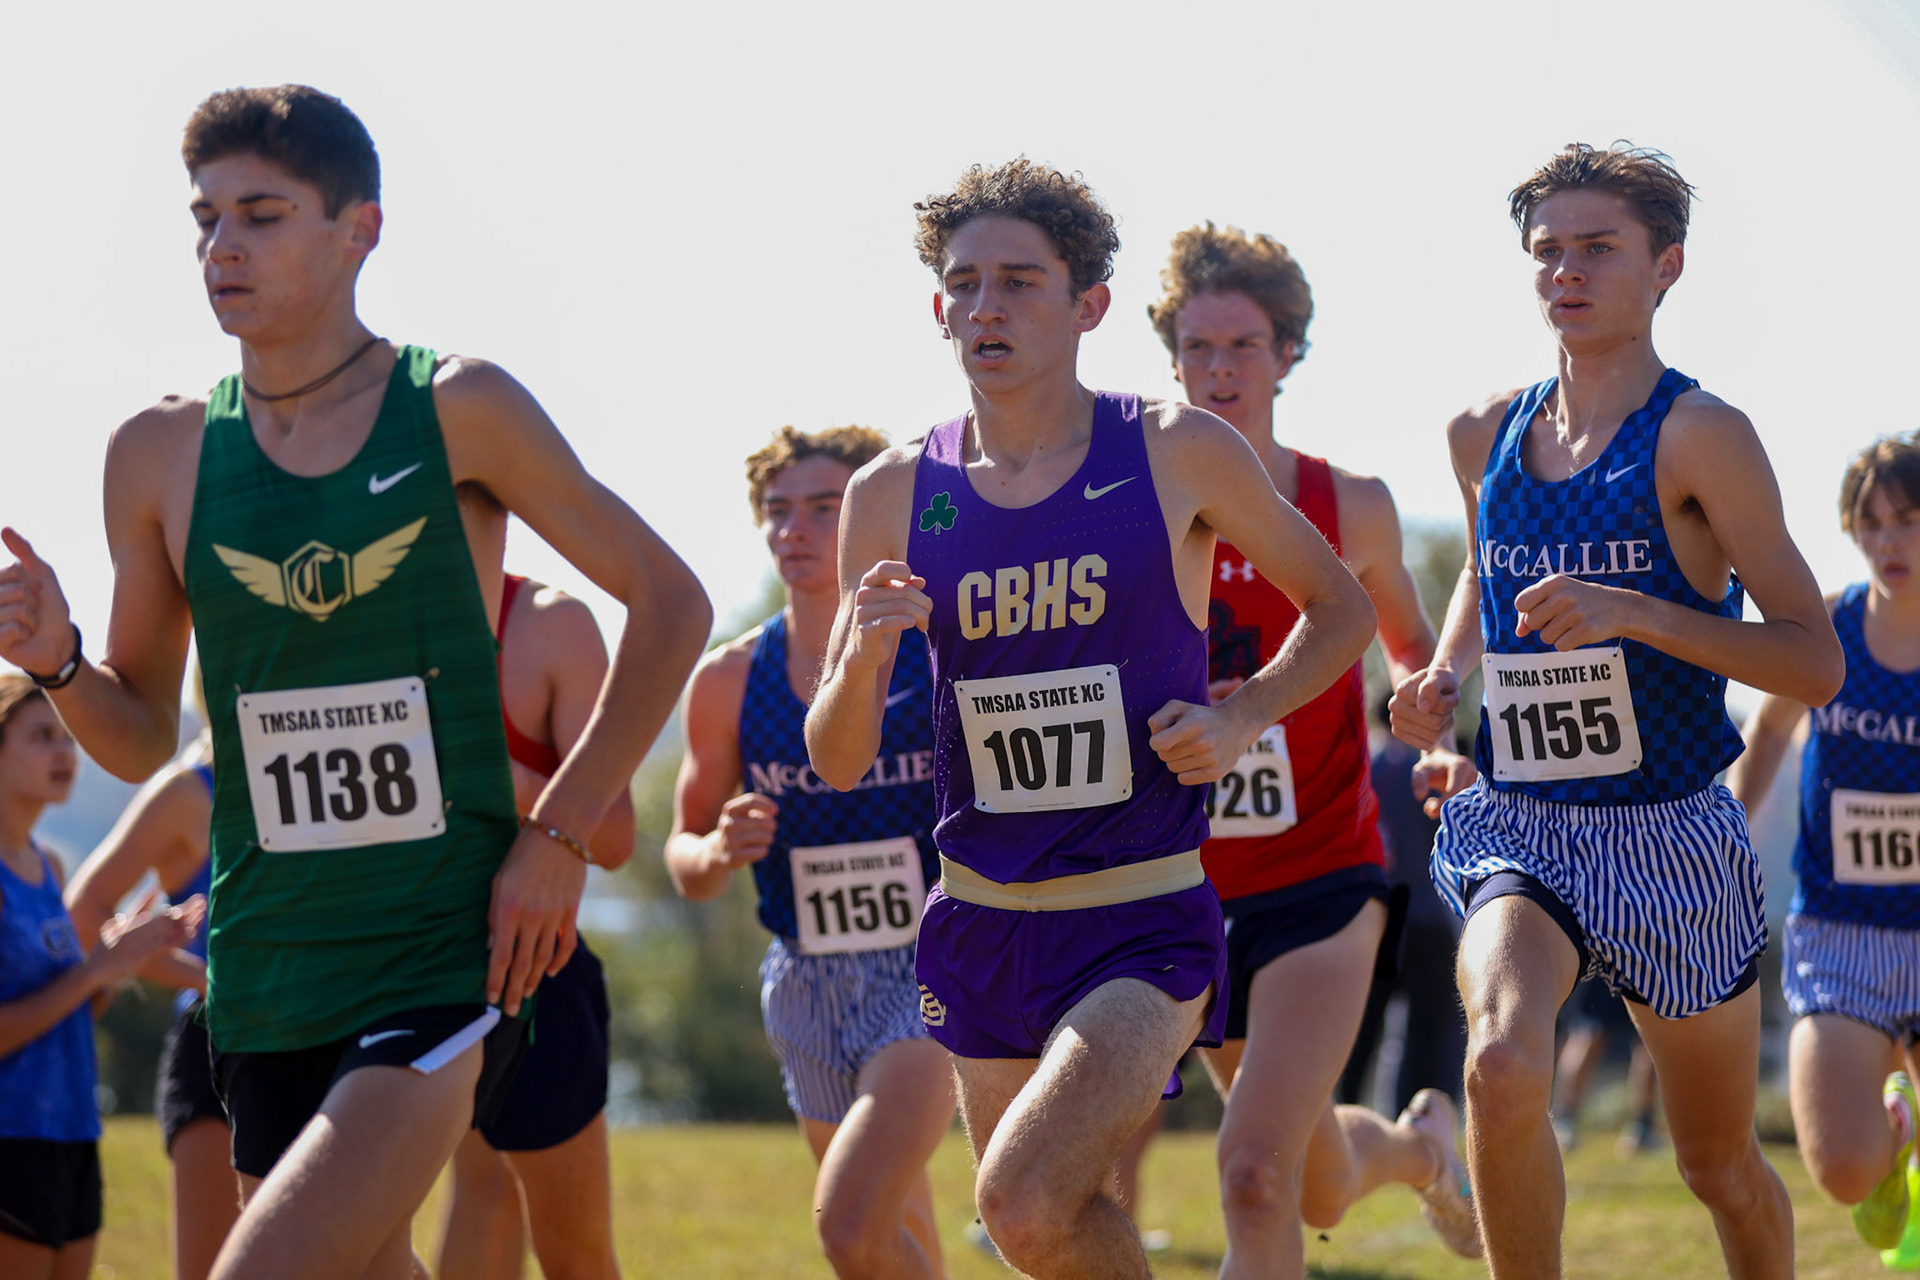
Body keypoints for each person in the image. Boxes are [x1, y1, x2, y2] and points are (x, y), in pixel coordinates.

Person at [0, 85, 709, 1280]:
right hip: (268, 962)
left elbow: (673, 600)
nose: (222, 246)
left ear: (358, 228)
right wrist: (61, 661)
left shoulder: (459, 407)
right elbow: (132, 733)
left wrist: (557, 830)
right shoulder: (158, 451)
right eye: (205, 218)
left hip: (439, 949)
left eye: (262, 214)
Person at [807, 160, 1376, 1279]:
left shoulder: (1176, 447)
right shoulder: (889, 491)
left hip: (1139, 917)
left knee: (1018, 1197)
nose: (987, 308)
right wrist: (868, 657)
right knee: (1045, 1234)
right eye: (964, 284)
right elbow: (839, 752)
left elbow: (1342, 608)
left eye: (1020, 280)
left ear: (1089, 305)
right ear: (938, 309)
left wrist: (1244, 713)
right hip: (977, 921)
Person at [1392, 142, 1843, 1279]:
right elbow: (1480, 573)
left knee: (1719, 1166)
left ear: (1667, 267)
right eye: (1547, 250)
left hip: (1668, 830)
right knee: (1500, 1063)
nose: (1567, 271)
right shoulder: (1482, 431)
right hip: (1524, 816)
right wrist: (1443, 685)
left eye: (1599, 248)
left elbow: (1812, 659)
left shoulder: (1703, 436)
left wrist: (1635, 613)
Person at [1146, 221, 1480, 1274]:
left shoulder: (1353, 507)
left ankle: (1418, 1146)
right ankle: (1427, 1146)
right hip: (1183, 885)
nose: (1218, 368)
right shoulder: (1129, 511)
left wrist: (1429, 722)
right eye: (1197, 347)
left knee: (1253, 1171)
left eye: (1242, 345)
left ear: (1287, 352)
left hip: (1322, 878)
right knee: (1318, 1170)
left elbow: (1412, 655)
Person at [668, 425, 953, 1280]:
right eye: (777, 510)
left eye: (823, 509)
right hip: (806, 984)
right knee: (892, 1229)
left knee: (849, 1223)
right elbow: (683, 857)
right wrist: (717, 848)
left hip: (932, 971)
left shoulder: (934, 654)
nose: (795, 529)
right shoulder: (728, 679)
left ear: (866, 517)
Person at [1729, 435, 1920, 1269]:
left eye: (1909, 521)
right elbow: (1767, 731)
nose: (1890, 542)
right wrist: (1726, 842)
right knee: (1842, 1170)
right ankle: (1893, 1140)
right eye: (1872, 523)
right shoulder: (1828, 632)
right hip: (1840, 931)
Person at [433, 550, 637, 1280]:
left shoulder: (550, 625)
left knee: (572, 1253)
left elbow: (615, 836)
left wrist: (490, 774)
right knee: (468, 1197)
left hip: (534, 972)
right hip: (394, 967)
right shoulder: (351, 616)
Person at [0, 675, 204, 1280]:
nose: (65, 753)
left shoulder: (47, 866)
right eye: (42, 737)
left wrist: (121, 964)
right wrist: (97, 970)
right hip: (13, 1138)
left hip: (72, 1134)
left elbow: (65, 1013)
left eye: (67, 737)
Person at [63, 690, 233, 1280]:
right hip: (217, 1052)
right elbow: (86, 916)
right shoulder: (188, 791)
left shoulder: (312, 775)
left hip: (324, 1040)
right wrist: (212, 979)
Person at [1340, 695, 1466, 1121]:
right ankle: (1421, 1123)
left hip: (1374, 917)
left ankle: (1341, 1121)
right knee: (1430, 1032)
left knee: (1358, 1032)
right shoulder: (1435, 770)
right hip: (1432, 915)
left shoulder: (1365, 766)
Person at [1549, 978, 1659, 1158]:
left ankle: (1642, 1127)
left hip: (1615, 957)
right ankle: (1564, 1123)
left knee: (1647, 1038)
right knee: (1589, 1032)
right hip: (1626, 957)